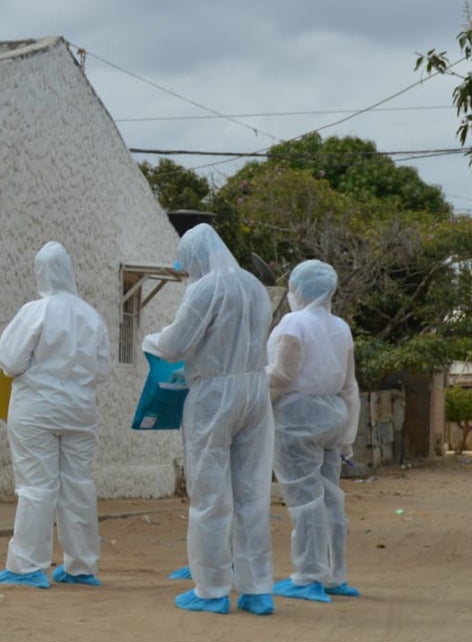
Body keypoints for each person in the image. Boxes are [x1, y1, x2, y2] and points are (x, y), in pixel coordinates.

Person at [143, 223, 275, 615]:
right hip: (255, 392)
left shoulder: (206, 288)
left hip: (214, 395)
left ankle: (212, 588)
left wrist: (150, 341)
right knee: (252, 492)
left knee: (210, 494)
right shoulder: (253, 286)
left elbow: (176, 344)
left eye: (186, 267)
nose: (187, 275)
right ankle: (257, 589)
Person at [0, 242, 113, 589]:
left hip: (36, 409)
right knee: (78, 485)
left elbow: (10, 361)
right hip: (80, 411)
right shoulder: (91, 315)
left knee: (36, 486)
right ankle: (82, 565)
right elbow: (103, 369)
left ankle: (27, 565)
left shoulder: (35, 311)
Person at [267, 259, 361, 602]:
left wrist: (249, 387)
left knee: (304, 497)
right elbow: (350, 384)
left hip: (297, 417)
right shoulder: (341, 328)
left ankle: (308, 575)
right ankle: (335, 574)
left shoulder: (294, 323)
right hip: (333, 418)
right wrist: (349, 434)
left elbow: (282, 376)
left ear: (299, 289)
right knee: (330, 496)